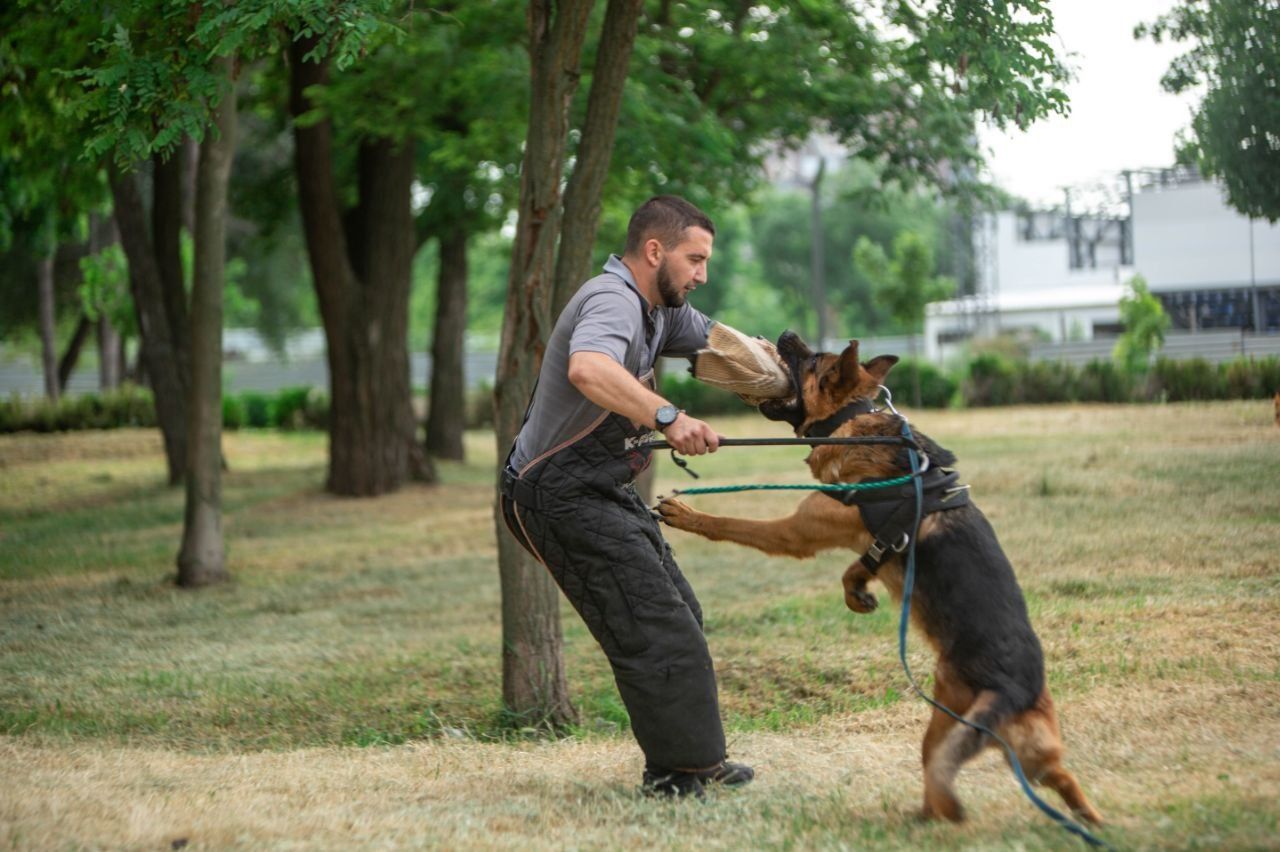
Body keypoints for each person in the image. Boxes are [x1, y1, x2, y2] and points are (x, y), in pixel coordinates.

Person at [499, 195, 754, 798]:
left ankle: (695, 759)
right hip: (553, 494)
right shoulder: (612, 299)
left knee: (678, 614)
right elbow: (589, 368)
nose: (702, 275)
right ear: (654, 250)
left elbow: (726, 351)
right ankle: (674, 776)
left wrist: (817, 382)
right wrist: (667, 415)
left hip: (598, 489)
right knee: (653, 623)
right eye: (695, 259)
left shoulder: (661, 311)